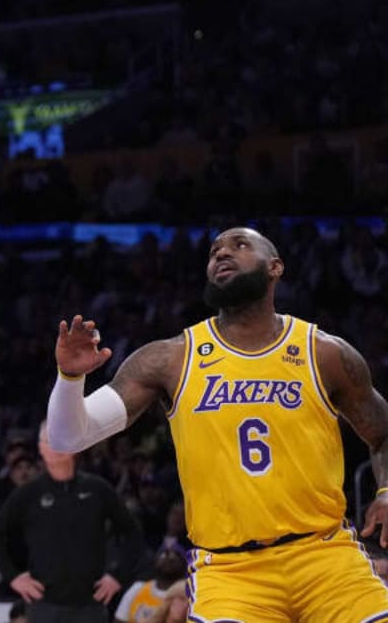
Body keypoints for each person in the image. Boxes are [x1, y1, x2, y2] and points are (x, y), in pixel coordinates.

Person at [45, 226, 388, 620]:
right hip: (231, 572)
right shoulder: (169, 359)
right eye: (213, 251)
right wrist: (70, 379)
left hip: (326, 556)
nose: (221, 254)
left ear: (275, 267)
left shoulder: (323, 352)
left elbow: (382, 433)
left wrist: (385, 491)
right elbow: (67, 437)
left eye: (239, 245)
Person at [0, 423, 142, 623]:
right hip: (44, 605)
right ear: (40, 448)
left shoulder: (97, 488)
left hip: (90, 605)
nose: (56, 446)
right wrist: (14, 577)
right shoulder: (29, 493)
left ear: (74, 445)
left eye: (61, 438)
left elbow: (133, 533)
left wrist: (118, 576)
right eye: (49, 441)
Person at [113, 549, 185, 623]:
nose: (169, 558)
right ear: (154, 561)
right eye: (164, 554)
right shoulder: (137, 588)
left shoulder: (189, 595)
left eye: (177, 555)